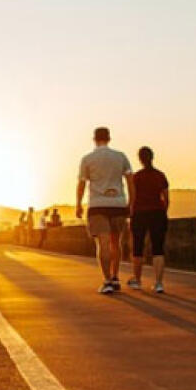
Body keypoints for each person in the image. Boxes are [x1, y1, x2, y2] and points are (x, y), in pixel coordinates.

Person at [76, 126, 135, 294]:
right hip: (117, 204)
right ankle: (116, 276)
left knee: (103, 243)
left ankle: (107, 280)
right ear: (109, 138)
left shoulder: (87, 159)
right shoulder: (120, 156)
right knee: (116, 242)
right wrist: (130, 202)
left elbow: (82, 183)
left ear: (94, 139)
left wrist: (79, 203)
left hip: (97, 205)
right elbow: (130, 180)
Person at [128, 146, 169, 293]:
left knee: (138, 248)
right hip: (157, 212)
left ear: (140, 159)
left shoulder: (136, 177)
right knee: (158, 249)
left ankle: (137, 280)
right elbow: (166, 198)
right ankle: (158, 283)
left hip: (139, 213)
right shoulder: (160, 175)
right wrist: (163, 211)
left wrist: (131, 213)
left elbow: (132, 198)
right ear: (152, 157)